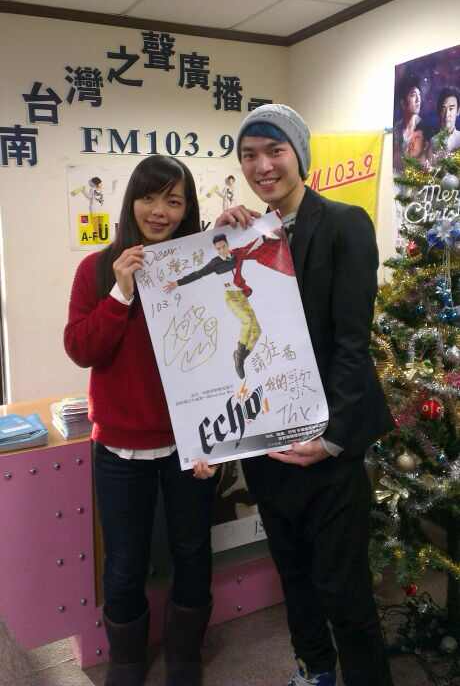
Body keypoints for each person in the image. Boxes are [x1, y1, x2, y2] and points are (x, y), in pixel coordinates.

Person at [214, 104, 395, 686]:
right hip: (269, 440)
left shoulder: (344, 223)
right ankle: (314, 669)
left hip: (328, 445)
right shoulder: (246, 235)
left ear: (300, 156)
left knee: (344, 588)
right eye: (249, 155)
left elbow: (352, 343)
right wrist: (220, 241)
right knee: (292, 574)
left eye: (275, 151)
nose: (262, 166)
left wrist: (333, 438)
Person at [64, 155, 217, 686]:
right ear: (131, 201)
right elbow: (81, 349)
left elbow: (216, 357)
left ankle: (184, 654)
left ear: (186, 209)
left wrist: (216, 437)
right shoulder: (97, 269)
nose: (159, 211)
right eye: (149, 197)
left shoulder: (195, 266)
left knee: (192, 550)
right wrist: (120, 293)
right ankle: (127, 658)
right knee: (125, 561)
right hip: (119, 448)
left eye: (173, 201)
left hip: (189, 444)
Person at [163, 229, 293, 379]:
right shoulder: (215, 263)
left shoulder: (237, 254)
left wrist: (269, 233)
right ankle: (239, 359)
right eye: (218, 248)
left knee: (257, 331)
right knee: (247, 321)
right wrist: (178, 282)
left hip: (242, 296)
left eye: (223, 247)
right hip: (231, 297)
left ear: (227, 245)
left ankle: (239, 356)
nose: (221, 250)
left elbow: (254, 244)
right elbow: (198, 274)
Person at [393, 73, 422, 172]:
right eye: (413, 95)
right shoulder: (396, 129)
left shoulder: (425, 128)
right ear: (403, 103)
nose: (418, 100)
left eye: (419, 95)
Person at [431, 86, 460, 154]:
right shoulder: (432, 142)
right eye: (443, 109)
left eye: (451, 109)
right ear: (439, 111)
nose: (447, 114)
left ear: (458, 111)